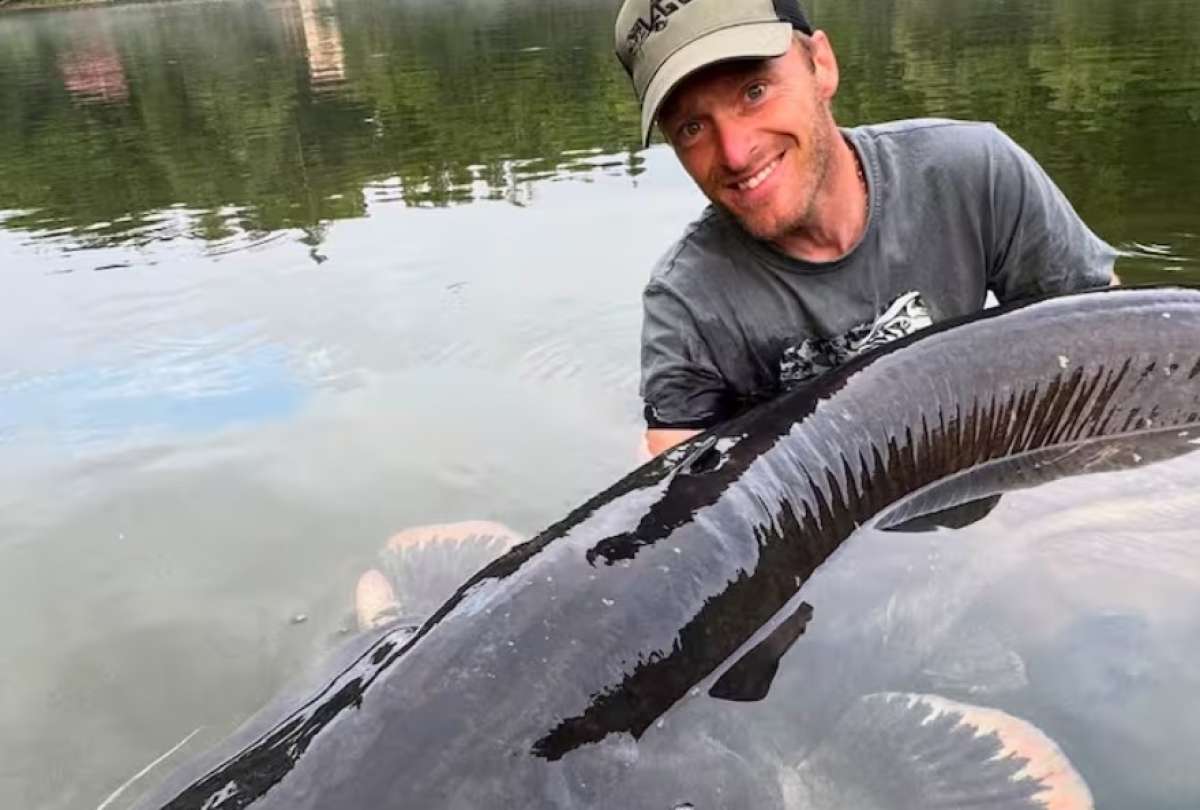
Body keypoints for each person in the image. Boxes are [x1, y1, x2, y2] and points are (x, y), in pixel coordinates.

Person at [614, 0, 1120, 458]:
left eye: (754, 91)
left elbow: (1115, 354)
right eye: (692, 128)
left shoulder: (975, 174)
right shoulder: (687, 303)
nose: (735, 152)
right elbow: (679, 494)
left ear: (821, 65)